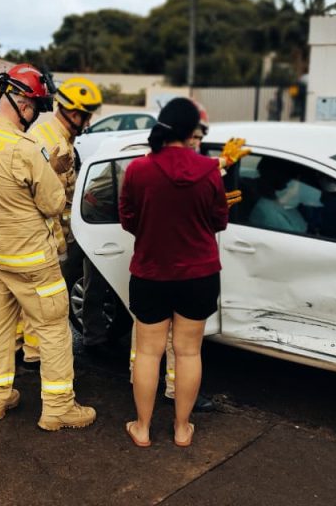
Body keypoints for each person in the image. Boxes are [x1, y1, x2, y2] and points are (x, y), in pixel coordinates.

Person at [0, 63, 96, 431]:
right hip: (32, 258)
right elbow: (53, 204)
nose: (35, 113)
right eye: (34, 104)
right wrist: (50, 169)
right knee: (53, 329)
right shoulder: (22, 148)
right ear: (19, 100)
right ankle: (58, 408)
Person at [119, 97, 229, 447]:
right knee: (189, 352)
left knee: (149, 352)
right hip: (199, 275)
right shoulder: (210, 171)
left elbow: (128, 219)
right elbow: (219, 221)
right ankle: (182, 429)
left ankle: (142, 428)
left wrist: (153, 229)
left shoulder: (138, 170)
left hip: (151, 272)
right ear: (191, 132)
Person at [21, 77, 103, 364]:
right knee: (45, 305)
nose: (89, 121)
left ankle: (28, 353)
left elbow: (66, 191)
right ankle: (35, 358)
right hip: (46, 239)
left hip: (53, 236)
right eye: (88, 115)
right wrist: (59, 248)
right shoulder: (50, 142)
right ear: (75, 114)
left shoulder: (59, 138)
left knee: (35, 303)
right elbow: (44, 198)